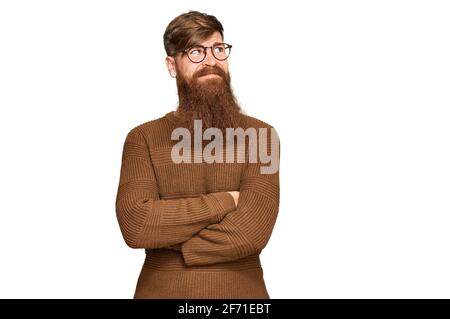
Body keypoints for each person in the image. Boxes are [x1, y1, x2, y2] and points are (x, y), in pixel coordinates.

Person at [115, 10, 280, 299]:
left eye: (218, 49)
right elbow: (137, 225)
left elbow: (253, 232)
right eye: (195, 52)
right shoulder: (141, 139)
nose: (211, 61)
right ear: (171, 65)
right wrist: (226, 200)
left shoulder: (263, 137)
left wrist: (172, 242)